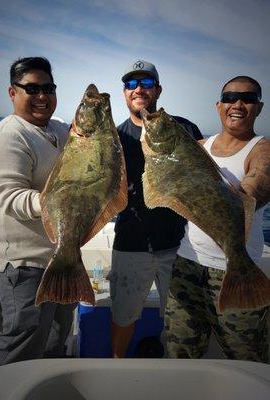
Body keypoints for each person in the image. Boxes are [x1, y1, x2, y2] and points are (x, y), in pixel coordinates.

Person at [0, 57, 76, 370]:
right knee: (22, 337)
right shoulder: (6, 137)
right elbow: (11, 197)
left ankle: (44, 383)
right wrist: (65, 201)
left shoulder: (58, 129)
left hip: (61, 255)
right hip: (24, 262)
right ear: (12, 92)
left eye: (48, 88)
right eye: (32, 89)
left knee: (57, 334)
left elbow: (92, 142)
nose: (42, 95)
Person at [164, 76, 270, 363]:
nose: (237, 104)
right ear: (218, 106)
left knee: (246, 359)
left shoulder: (261, 149)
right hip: (187, 263)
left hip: (235, 270)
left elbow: (256, 188)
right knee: (179, 352)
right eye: (230, 97)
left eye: (247, 98)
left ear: (259, 107)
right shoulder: (198, 147)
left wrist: (241, 194)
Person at [108, 59, 203, 357]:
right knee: (123, 318)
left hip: (179, 246)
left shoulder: (184, 128)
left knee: (180, 322)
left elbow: (209, 173)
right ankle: (116, 367)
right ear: (124, 92)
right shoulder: (112, 137)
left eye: (147, 83)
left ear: (158, 90)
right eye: (132, 84)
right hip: (129, 244)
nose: (139, 89)